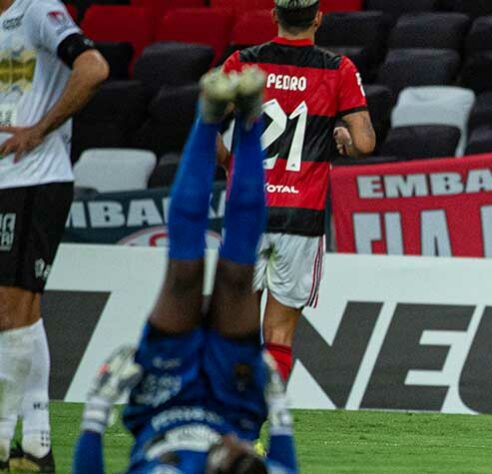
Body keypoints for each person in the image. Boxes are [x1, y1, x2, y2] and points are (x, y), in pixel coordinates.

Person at [71, 68, 298, 474]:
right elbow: (285, 466)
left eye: (238, 452)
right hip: (231, 400)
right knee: (237, 275)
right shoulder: (243, 452)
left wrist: (97, 408)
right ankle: (248, 120)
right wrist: (278, 404)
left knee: (183, 273)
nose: (240, 447)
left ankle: (208, 117)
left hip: (165, 403)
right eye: (247, 450)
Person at [219, 0, 376, 380]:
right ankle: (264, 430)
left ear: (274, 16)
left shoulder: (242, 63)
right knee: (279, 334)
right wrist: (343, 138)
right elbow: (366, 143)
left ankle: (235, 425)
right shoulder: (338, 69)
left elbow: (204, 127)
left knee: (237, 330)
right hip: (301, 215)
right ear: (318, 18)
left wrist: (229, 163)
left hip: (247, 210)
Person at [0, 0, 109, 470]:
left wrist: (40, 129)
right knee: (22, 315)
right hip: (8, 181)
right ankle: (38, 444)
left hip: (33, 180)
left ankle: (2, 442)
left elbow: (94, 67)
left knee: (10, 311)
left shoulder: (38, 9)